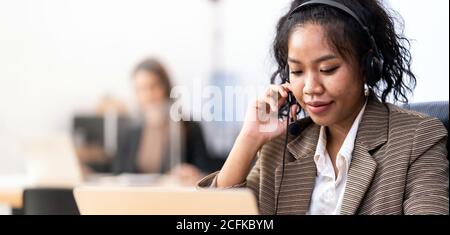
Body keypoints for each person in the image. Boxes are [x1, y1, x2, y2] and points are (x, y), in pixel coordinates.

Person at [198, 0, 449, 214]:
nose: (310, 87)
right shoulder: (280, 148)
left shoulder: (419, 138)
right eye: (297, 71)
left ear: (368, 64)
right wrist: (249, 139)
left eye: (327, 69)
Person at [114, 58, 212, 185]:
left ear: (166, 87)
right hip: (135, 199)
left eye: (153, 86)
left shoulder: (189, 127)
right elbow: (117, 173)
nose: (148, 95)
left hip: (174, 198)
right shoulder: (130, 131)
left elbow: (204, 170)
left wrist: (194, 173)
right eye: (141, 89)